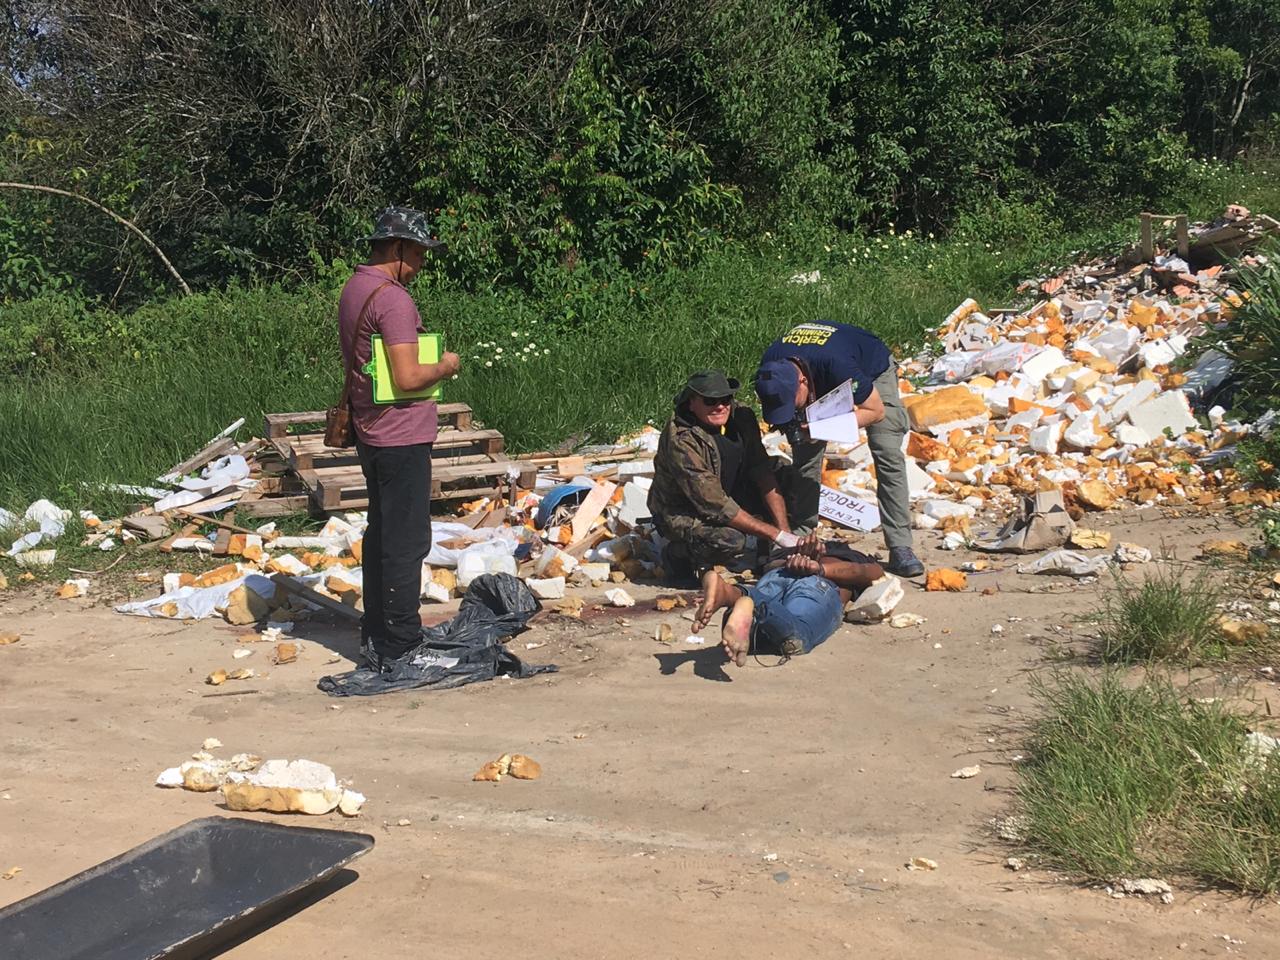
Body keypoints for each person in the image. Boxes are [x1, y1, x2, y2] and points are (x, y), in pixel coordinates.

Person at [338, 205, 460, 668]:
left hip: (371, 431)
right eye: (420, 252)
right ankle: (404, 644)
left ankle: (378, 631)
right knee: (407, 542)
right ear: (397, 248)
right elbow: (408, 378)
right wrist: (446, 365)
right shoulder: (393, 299)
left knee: (382, 534)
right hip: (400, 436)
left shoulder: (356, 287)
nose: (423, 262)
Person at [754, 320, 925, 578]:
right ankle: (801, 535)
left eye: (792, 404)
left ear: (801, 381)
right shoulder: (771, 367)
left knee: (886, 451)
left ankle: (901, 545)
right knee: (805, 456)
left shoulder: (838, 365)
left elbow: (875, 412)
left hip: (871, 369)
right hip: (817, 375)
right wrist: (799, 426)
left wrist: (822, 427)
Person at [648, 370, 797, 581]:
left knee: (786, 474)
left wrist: (784, 530)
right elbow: (714, 503)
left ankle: (769, 553)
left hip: (730, 490)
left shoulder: (742, 417)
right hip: (684, 510)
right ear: (691, 403)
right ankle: (678, 556)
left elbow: (760, 468)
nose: (719, 406)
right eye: (710, 401)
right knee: (730, 540)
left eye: (725, 399)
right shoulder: (682, 440)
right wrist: (776, 535)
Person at [693, 536, 884, 665]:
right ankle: (746, 599)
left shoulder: (787, 553)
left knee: (758, 636)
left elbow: (769, 567)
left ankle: (733, 595)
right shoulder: (850, 557)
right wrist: (814, 567)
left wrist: (800, 561)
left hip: (777, 577)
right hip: (817, 584)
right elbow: (872, 573)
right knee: (798, 636)